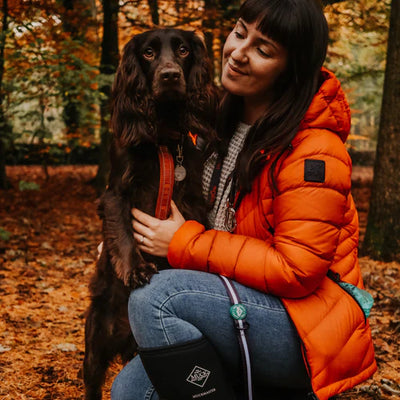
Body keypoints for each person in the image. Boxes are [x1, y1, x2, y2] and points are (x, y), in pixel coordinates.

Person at [110, 0, 377, 399]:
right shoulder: (217, 123)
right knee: (130, 391)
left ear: (293, 68)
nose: (238, 52)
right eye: (239, 32)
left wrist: (185, 241)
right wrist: (127, 241)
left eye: (263, 49)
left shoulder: (313, 150)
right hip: (235, 302)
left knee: (156, 299)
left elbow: (297, 270)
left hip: (305, 330)